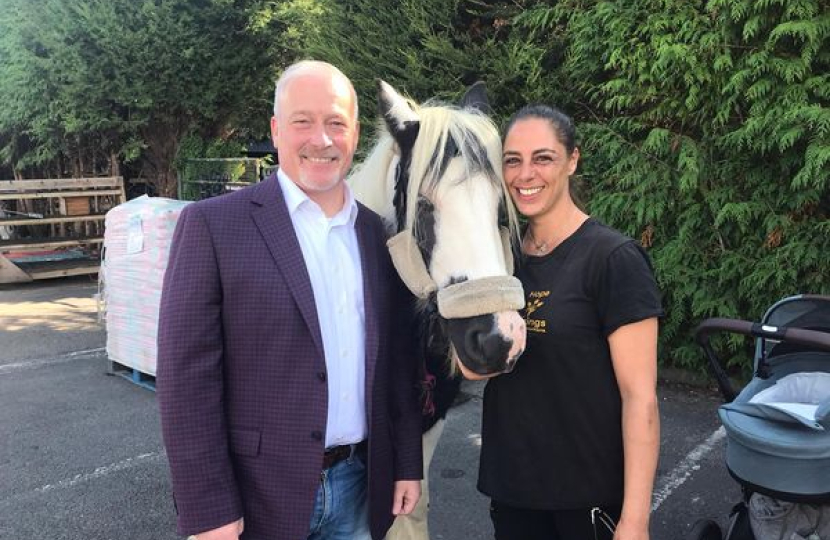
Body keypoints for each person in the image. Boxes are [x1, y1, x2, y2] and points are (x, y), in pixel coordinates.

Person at [156, 60, 423, 540]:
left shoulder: (375, 235)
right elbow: (186, 381)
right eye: (303, 121)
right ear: (277, 130)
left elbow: (397, 363)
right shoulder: (213, 227)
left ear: (355, 133)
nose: (321, 139)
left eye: (336, 122)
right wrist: (207, 506)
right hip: (258, 498)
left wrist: (406, 461)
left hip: (361, 487)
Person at [476, 104, 663, 540]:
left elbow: (640, 399)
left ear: (572, 159)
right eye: (512, 160)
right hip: (514, 491)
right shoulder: (501, 259)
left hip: (587, 496)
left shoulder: (613, 259)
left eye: (543, 158)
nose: (526, 174)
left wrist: (635, 520)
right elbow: (476, 366)